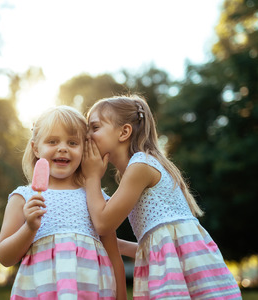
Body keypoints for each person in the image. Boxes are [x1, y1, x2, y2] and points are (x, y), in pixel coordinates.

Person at [82, 95, 242, 299]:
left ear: (124, 132)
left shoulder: (140, 166)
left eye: (94, 127)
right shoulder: (138, 167)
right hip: (178, 267)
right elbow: (157, 246)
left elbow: (103, 223)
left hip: (185, 272)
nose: (87, 136)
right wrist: (118, 245)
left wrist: (92, 177)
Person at [0, 106, 127, 300]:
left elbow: (114, 256)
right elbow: (5, 257)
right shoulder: (24, 197)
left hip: (92, 291)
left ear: (85, 149)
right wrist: (29, 228)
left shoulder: (95, 197)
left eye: (73, 142)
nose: (63, 147)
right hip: (41, 291)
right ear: (35, 148)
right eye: (52, 141)